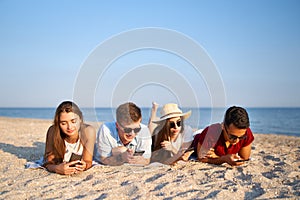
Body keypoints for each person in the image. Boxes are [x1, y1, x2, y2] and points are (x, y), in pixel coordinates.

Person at [43, 101, 96, 175]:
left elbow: (88, 160)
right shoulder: (53, 131)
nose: (69, 127)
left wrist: (85, 166)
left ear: (80, 119)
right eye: (63, 123)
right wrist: (57, 168)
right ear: (58, 123)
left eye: (73, 121)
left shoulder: (88, 131)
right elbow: (48, 163)